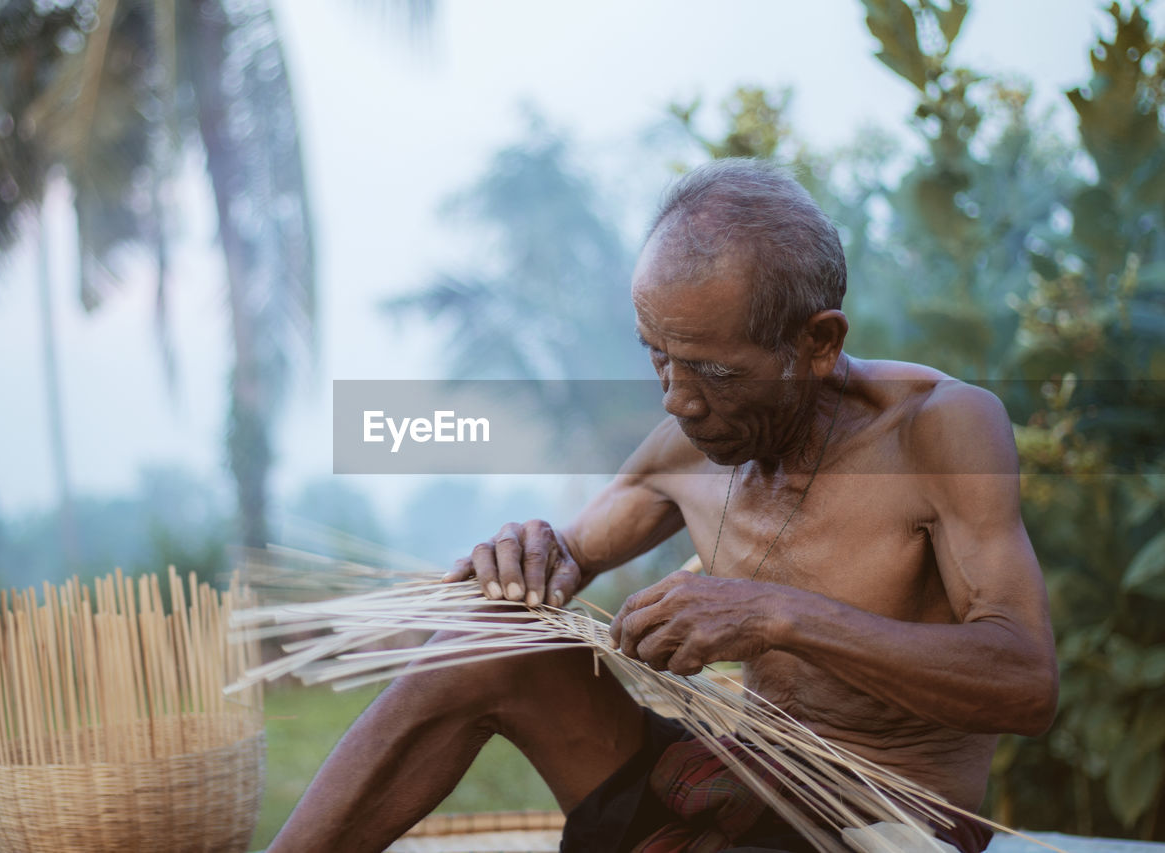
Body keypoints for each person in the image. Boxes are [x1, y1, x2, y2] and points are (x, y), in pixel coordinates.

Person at [266, 158, 1059, 853]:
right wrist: (528, 555)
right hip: (730, 788)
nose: (677, 400)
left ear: (817, 343)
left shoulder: (937, 429)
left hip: (879, 827)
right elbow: (570, 555)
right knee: (489, 640)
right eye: (657, 355)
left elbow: (1025, 680)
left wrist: (779, 615)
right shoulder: (691, 439)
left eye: (712, 371)